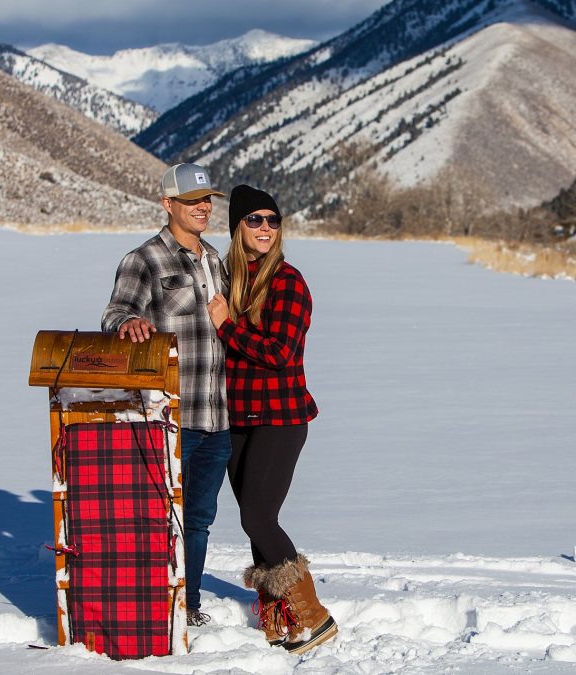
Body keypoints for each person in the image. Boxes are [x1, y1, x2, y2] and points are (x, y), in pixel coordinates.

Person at [207, 185, 337, 654]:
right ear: (238, 227)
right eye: (254, 220)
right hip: (237, 416)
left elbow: (281, 353)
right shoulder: (230, 279)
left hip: (280, 417)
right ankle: (281, 618)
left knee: (257, 515)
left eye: (273, 220)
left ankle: (314, 616)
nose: (265, 228)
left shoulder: (288, 282)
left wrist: (227, 326)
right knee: (255, 522)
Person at [101, 163, 230, 627]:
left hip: (217, 418)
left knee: (198, 520)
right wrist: (127, 324)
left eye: (207, 200)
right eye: (193, 201)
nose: (203, 207)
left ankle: (188, 604)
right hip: (171, 413)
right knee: (158, 516)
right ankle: (151, 604)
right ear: (167, 204)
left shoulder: (216, 260)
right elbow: (115, 311)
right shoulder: (144, 259)